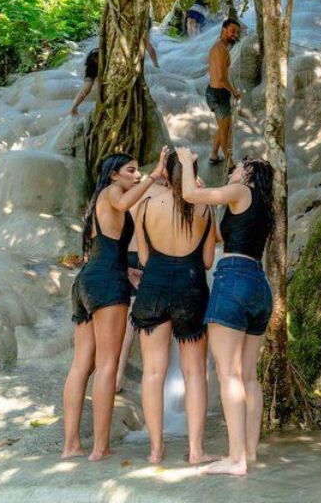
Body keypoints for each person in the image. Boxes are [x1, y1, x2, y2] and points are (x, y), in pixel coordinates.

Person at [62, 147, 168, 461]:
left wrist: (127, 268)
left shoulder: (98, 200)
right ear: (113, 175)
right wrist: (155, 175)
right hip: (106, 284)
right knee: (107, 365)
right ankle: (99, 448)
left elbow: (104, 247)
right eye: (131, 171)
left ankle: (71, 446)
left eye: (138, 171)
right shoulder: (112, 192)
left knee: (82, 365)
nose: (136, 176)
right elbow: (125, 202)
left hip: (86, 281)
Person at [175, 147, 274, 477]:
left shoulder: (240, 190)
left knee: (228, 374)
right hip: (259, 284)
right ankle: (250, 451)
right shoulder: (260, 204)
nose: (231, 170)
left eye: (237, 167)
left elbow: (189, 194)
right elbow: (218, 235)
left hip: (232, 280)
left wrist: (187, 164)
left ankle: (235, 459)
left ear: (248, 173)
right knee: (248, 376)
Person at [131, 150, 217, 465]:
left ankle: (155, 449)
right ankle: (195, 451)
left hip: (153, 287)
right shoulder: (205, 205)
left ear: (166, 174)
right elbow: (208, 261)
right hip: (191, 288)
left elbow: (142, 258)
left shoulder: (147, 204)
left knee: (153, 371)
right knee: (195, 373)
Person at [115, 179, 169, 394]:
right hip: (148, 256)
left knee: (123, 320)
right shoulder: (168, 194)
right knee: (136, 323)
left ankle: (115, 376)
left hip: (124, 255)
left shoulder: (131, 191)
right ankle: (152, 384)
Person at [206, 18, 241, 169]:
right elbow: (220, 78)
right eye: (232, 31)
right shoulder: (220, 49)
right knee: (225, 130)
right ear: (224, 30)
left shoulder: (219, 47)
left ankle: (214, 155)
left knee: (223, 127)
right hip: (218, 94)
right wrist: (234, 92)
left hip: (218, 93)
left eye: (237, 32)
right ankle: (230, 164)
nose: (235, 35)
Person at [70, 48, 99, 116]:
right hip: (92, 67)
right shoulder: (97, 51)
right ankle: (74, 108)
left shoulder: (96, 50)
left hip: (91, 66)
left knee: (87, 88)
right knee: (87, 88)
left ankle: (74, 107)